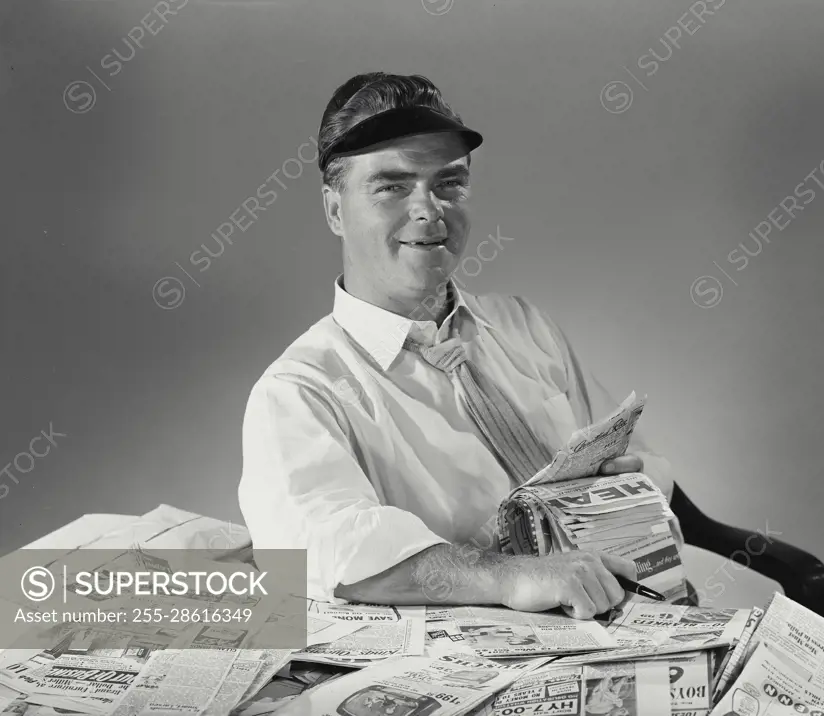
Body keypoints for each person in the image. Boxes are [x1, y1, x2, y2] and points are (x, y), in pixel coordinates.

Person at [238, 72, 677, 620]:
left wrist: (627, 486)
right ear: (334, 210)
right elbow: (328, 551)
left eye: (448, 183)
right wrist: (510, 576)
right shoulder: (300, 391)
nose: (428, 210)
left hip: (632, 613)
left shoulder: (524, 325)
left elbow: (650, 464)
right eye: (392, 186)